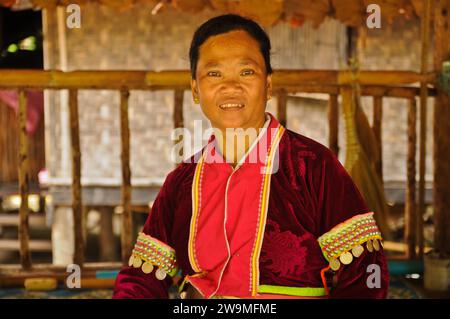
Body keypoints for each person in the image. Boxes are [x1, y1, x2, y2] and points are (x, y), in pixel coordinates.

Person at [113, 14, 389, 299]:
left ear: (268, 85)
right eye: (214, 73)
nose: (230, 86)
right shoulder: (181, 182)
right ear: (195, 89)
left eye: (246, 72)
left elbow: (366, 271)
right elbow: (143, 278)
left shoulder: (312, 166)